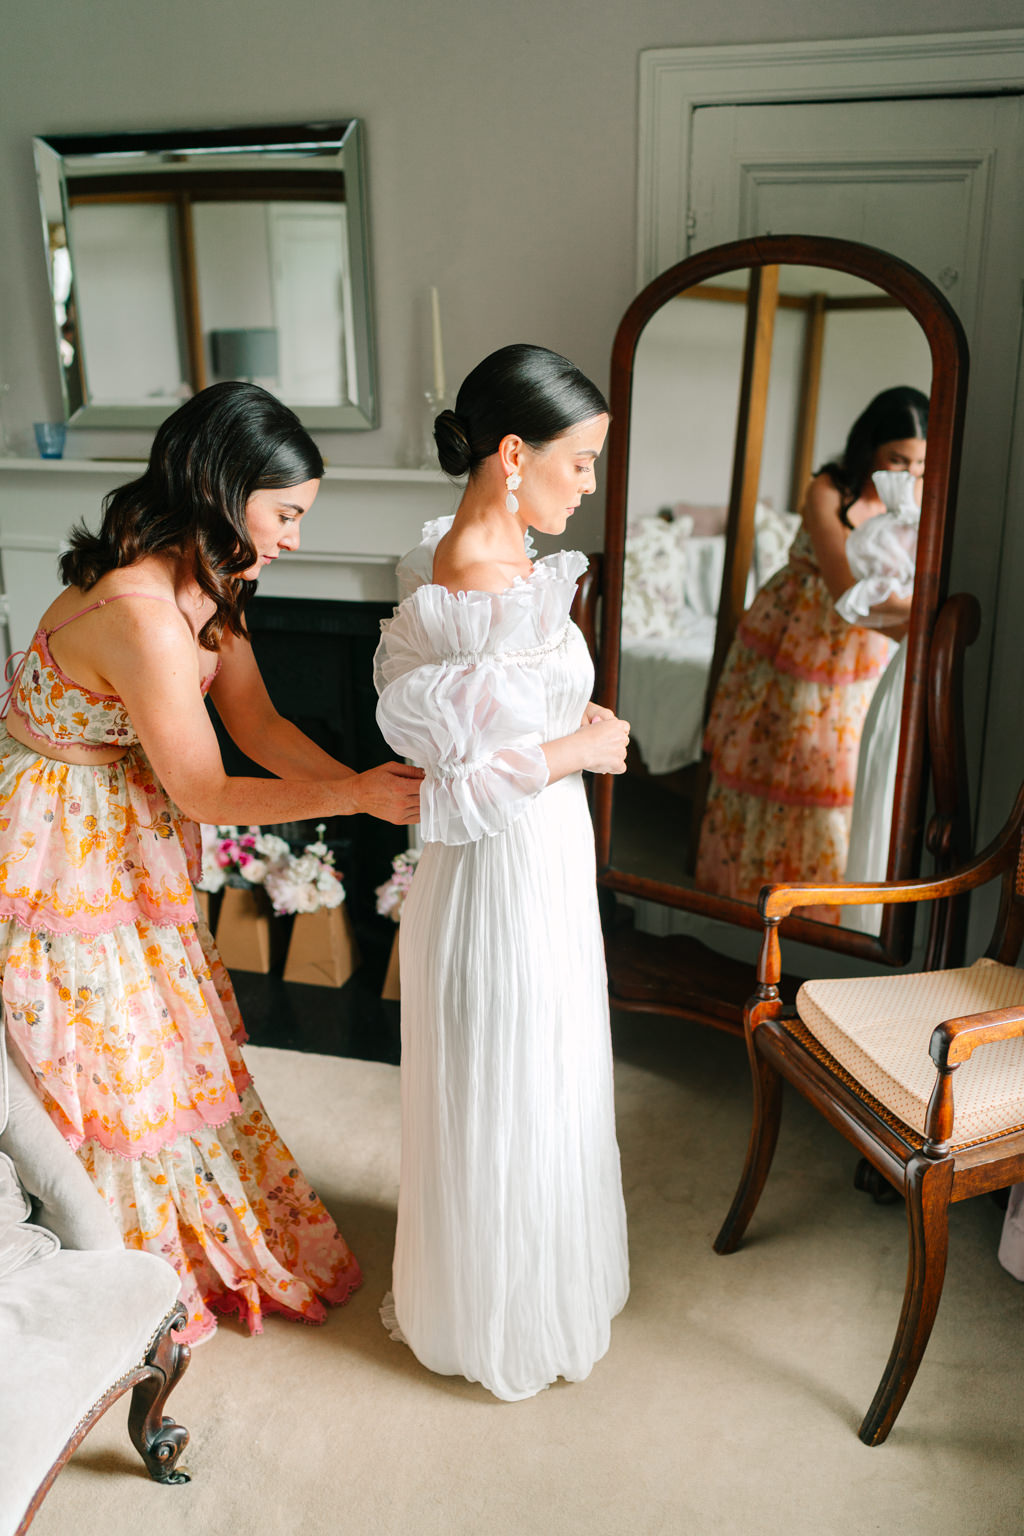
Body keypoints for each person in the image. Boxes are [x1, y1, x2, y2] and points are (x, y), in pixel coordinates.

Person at [0, 381, 422, 1343]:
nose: (295, 539)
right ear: (224, 493)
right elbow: (204, 790)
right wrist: (357, 798)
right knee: (109, 1049)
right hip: (58, 831)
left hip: (124, 806)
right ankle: (114, 1271)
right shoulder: (142, 610)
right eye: (286, 514)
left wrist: (365, 785)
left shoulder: (212, 581)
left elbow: (260, 726)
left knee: (169, 1034)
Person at [373, 344, 631, 1400]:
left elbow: (507, 730)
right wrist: (580, 748)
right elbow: (460, 785)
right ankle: (500, 1317)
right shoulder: (473, 577)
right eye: (581, 461)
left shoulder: (501, 560)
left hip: (542, 847)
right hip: (505, 864)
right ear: (514, 453)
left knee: (544, 1063)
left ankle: (529, 1280)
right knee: (515, 1071)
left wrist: (576, 728)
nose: (591, 482)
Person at [696, 385, 928, 920]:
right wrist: (921, 613)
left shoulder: (920, 498)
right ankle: (751, 900)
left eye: (919, 461)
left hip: (864, 646)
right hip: (798, 635)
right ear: (870, 446)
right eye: (897, 458)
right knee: (784, 762)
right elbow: (847, 591)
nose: (909, 472)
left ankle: (822, 910)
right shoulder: (831, 488)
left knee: (839, 772)